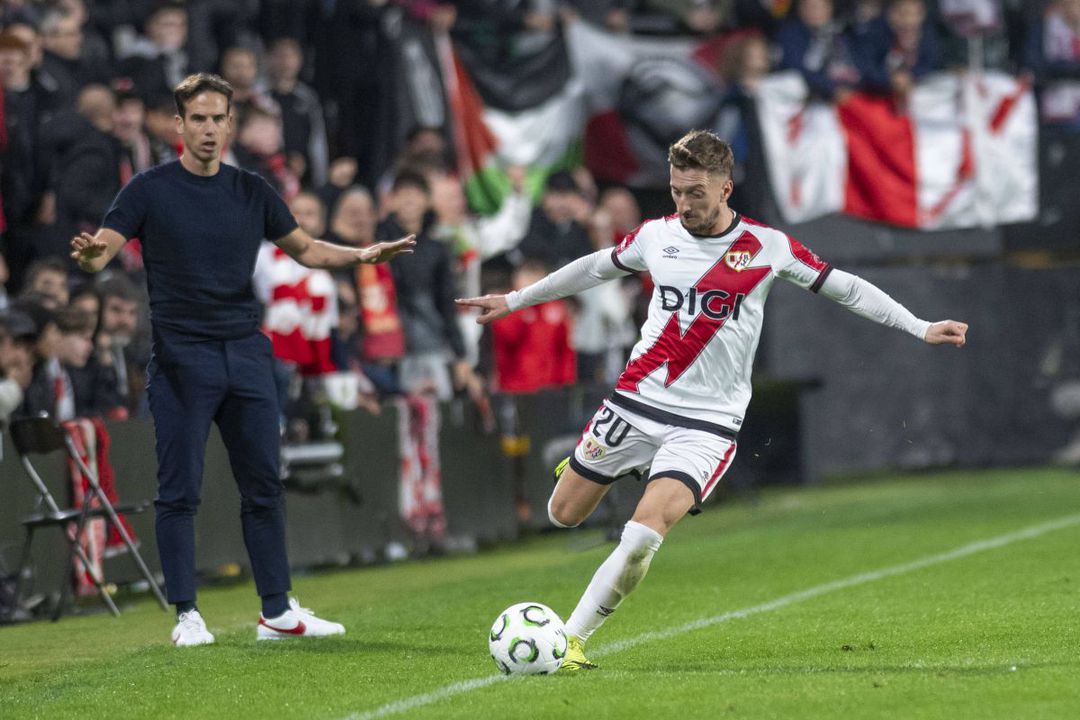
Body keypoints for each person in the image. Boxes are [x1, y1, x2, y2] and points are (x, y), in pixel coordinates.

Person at [457, 129, 968, 671]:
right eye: (677, 191)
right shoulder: (655, 236)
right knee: (562, 515)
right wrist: (516, 299)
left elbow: (845, 287)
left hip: (707, 423)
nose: (684, 204)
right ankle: (598, 466)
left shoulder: (767, 247)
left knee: (641, 536)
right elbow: (593, 267)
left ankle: (572, 640)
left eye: (695, 193)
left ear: (725, 188)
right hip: (637, 401)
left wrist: (919, 326)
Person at [69, 73, 415, 647]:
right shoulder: (149, 189)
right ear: (179, 125)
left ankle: (277, 612)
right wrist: (88, 259)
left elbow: (306, 249)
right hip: (182, 359)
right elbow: (102, 249)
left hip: (247, 354)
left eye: (217, 119)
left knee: (264, 486)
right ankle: (187, 615)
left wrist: (362, 255)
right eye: (198, 119)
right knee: (179, 491)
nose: (208, 129)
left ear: (230, 125)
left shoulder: (252, 190)